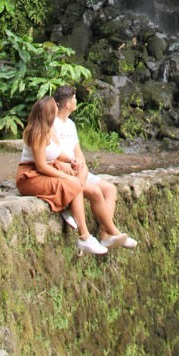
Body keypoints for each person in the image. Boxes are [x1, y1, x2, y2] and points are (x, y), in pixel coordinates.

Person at [16, 96, 128, 255]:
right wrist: (67, 177)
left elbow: (56, 153)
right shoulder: (37, 133)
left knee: (84, 183)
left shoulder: (48, 130)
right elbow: (40, 165)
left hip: (44, 171)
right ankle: (85, 236)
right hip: (30, 176)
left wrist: (72, 160)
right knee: (75, 185)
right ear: (48, 112)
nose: (57, 105)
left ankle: (104, 232)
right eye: (54, 105)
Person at [52, 85, 137, 250]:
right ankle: (115, 231)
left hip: (78, 170)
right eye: (75, 99)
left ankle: (106, 235)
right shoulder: (52, 124)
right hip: (66, 171)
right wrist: (73, 167)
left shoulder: (70, 124)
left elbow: (77, 150)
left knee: (110, 189)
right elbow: (54, 154)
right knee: (96, 192)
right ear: (68, 104)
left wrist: (82, 164)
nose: (77, 101)